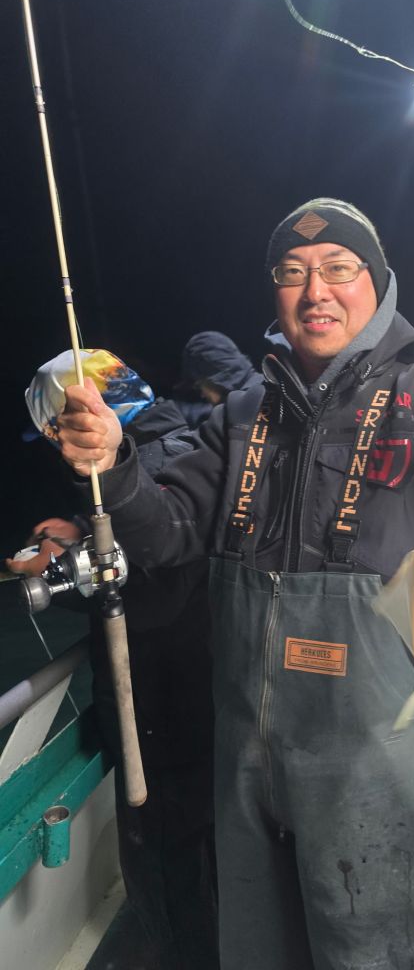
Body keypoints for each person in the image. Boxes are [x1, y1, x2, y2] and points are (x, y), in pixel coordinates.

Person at [57, 148, 414, 970]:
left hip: (376, 762)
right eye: (293, 272)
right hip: (246, 766)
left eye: (340, 267)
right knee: (258, 948)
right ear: (274, 292)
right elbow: (163, 535)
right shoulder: (241, 415)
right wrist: (116, 466)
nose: (316, 291)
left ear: (376, 282)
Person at [10, 348, 220, 970]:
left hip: (163, 719)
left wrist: (52, 568)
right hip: (213, 707)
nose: (58, 445)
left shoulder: (138, 466)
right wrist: (78, 533)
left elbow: (146, 578)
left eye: (57, 430)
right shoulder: (190, 440)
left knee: (167, 860)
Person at [175, 331, 262, 427]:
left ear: (212, 375)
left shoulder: (248, 409)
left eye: (199, 386)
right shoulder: (260, 389)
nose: (202, 395)